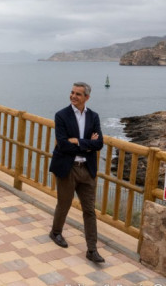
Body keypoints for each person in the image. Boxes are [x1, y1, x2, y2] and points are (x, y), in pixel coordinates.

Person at [48, 82, 105, 263]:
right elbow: (63, 144)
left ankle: (92, 250)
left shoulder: (94, 117)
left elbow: (99, 143)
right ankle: (55, 232)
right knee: (64, 204)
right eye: (72, 92)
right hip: (68, 168)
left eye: (78, 94)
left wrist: (78, 142)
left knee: (89, 210)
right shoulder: (61, 115)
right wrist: (87, 144)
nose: (73, 96)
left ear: (86, 97)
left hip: (87, 170)